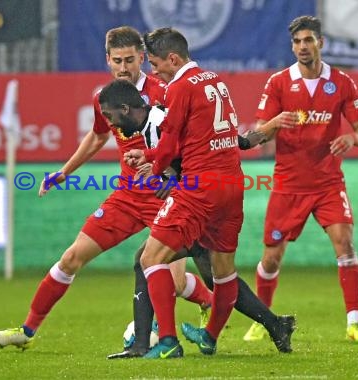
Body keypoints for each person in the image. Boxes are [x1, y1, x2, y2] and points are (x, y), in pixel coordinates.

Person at [0, 26, 212, 350]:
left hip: (167, 197)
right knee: (71, 258)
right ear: (107, 59)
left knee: (173, 281)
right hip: (127, 197)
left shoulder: (165, 91)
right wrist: (64, 171)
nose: (124, 68)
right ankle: (26, 331)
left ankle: (204, 304)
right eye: (117, 60)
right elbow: (97, 136)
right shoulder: (103, 98)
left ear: (142, 59)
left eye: (130, 60)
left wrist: (178, 178)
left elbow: (190, 141)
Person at [99, 79, 296, 359]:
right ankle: (275, 325)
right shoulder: (157, 120)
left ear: (125, 108)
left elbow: (186, 159)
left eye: (110, 117)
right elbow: (236, 142)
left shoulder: (159, 124)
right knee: (219, 275)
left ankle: (152, 342)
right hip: (212, 198)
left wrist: (165, 176)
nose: (112, 125)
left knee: (148, 260)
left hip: (200, 203)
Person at [242, 15, 358, 343]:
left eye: (308, 40)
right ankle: (262, 319)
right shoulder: (278, 83)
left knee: (344, 243)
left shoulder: (342, 82)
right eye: (298, 42)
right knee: (271, 257)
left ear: (320, 43)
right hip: (288, 184)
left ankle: (354, 324)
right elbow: (257, 135)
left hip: (329, 182)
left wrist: (351, 140)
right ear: (292, 46)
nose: (303, 46)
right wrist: (274, 123)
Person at [122, 27, 250, 358]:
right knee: (223, 272)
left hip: (199, 187)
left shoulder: (178, 87)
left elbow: (168, 145)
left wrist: (150, 161)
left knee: (150, 258)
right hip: (233, 185)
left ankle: (166, 341)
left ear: (173, 59)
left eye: (154, 63)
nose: (154, 71)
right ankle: (209, 337)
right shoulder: (215, 80)